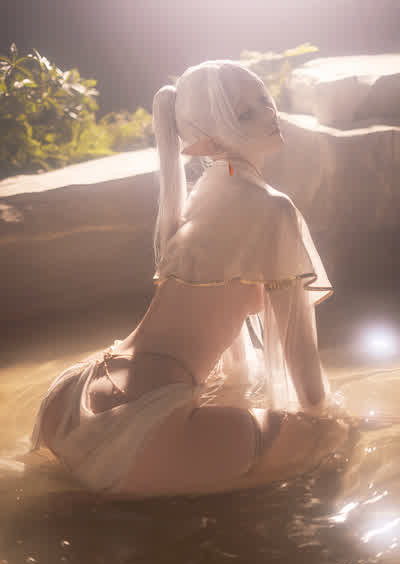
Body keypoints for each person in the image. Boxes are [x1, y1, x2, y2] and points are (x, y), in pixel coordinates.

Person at [28, 60, 349, 496]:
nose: (267, 113)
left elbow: (226, 361)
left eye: (263, 98)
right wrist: (329, 418)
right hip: (143, 429)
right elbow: (304, 370)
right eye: (245, 113)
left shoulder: (203, 195)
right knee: (331, 439)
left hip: (70, 397)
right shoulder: (274, 209)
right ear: (205, 143)